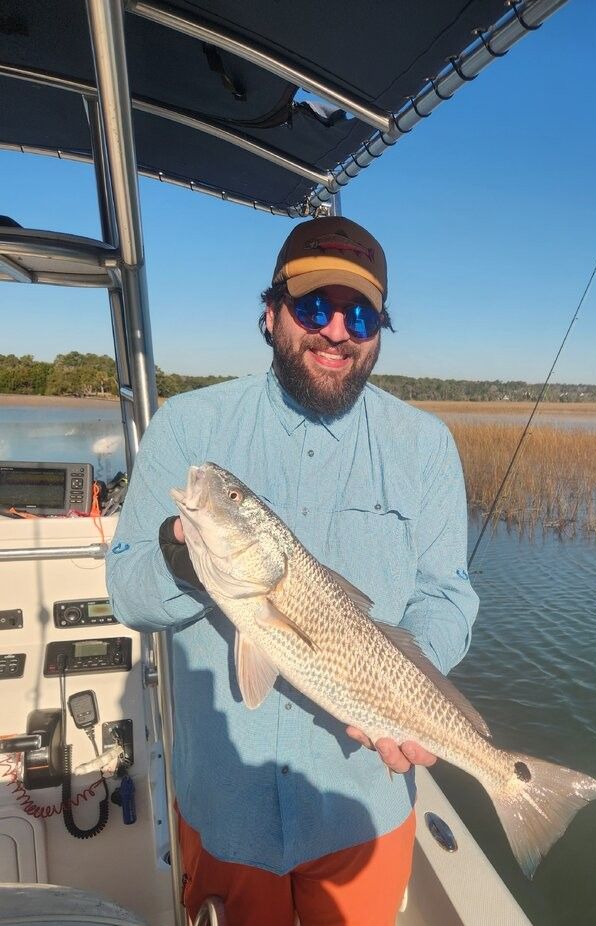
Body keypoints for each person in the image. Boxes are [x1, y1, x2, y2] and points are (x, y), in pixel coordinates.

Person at [106, 215, 479, 926]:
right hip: (226, 805)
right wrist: (185, 556)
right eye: (313, 306)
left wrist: (409, 678)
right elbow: (127, 593)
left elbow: (447, 595)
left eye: (360, 313)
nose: (336, 330)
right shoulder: (189, 427)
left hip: (361, 804)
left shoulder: (426, 446)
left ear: (378, 329)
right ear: (271, 313)